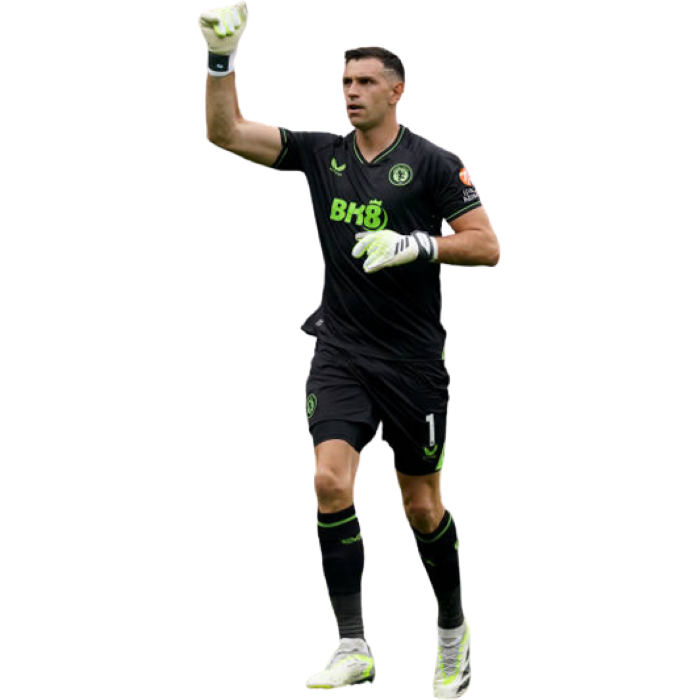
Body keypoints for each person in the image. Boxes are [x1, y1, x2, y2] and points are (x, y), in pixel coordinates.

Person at [200, 3, 500, 696]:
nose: (352, 92)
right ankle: (352, 644)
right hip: (340, 350)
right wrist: (221, 60)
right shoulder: (320, 153)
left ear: (398, 91)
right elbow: (225, 132)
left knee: (421, 510)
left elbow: (488, 246)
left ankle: (451, 633)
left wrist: (417, 244)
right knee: (330, 482)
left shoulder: (434, 162)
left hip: (413, 363)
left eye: (365, 82)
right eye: (345, 83)